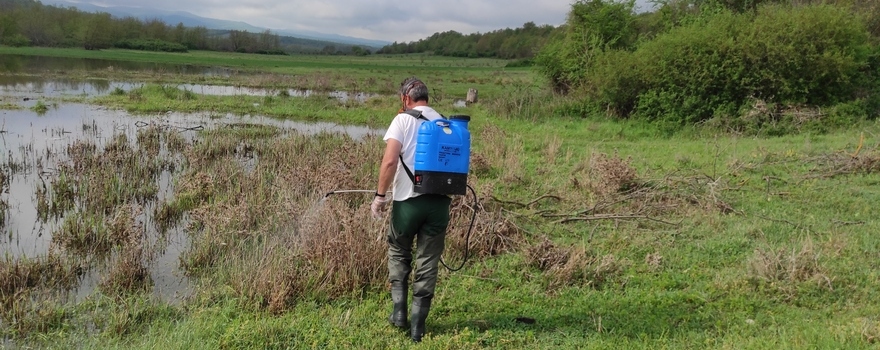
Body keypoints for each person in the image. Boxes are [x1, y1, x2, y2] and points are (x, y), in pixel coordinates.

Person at [371, 77, 452, 343]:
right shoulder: (445, 123)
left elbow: (390, 161)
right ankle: (418, 327)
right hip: (439, 204)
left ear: (406, 98)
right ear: (426, 97)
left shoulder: (403, 120)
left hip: (407, 202)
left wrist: (380, 197)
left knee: (398, 250)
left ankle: (399, 314)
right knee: (428, 261)